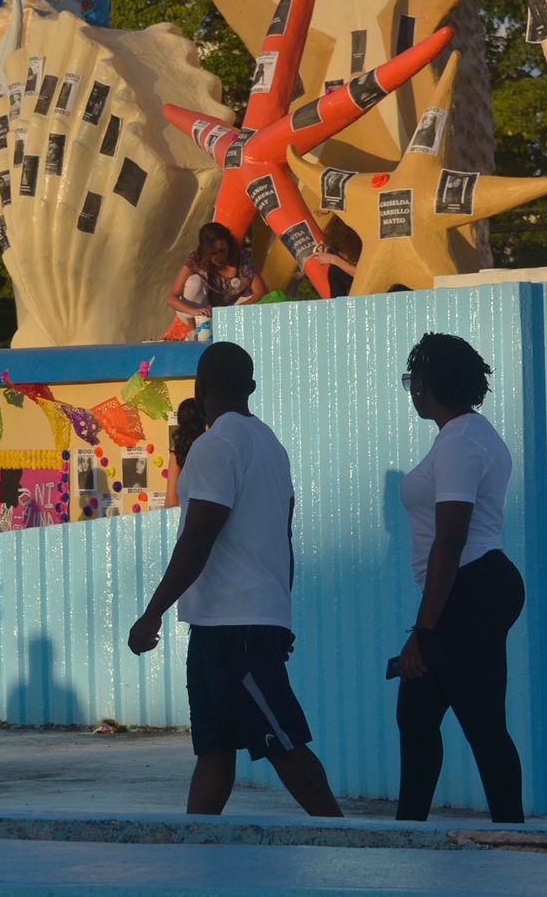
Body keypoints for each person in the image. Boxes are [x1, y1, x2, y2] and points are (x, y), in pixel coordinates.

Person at [127, 343, 342, 817]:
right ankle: (197, 846)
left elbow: (200, 536)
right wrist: (279, 616)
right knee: (214, 749)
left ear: (200, 390)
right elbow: (282, 538)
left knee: (282, 743)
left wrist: (152, 613)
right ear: (251, 388)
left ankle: (348, 841)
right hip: (229, 624)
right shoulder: (271, 446)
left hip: (232, 631)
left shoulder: (214, 446)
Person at [394, 333, 526, 823]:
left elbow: (450, 539)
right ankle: (506, 829)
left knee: (437, 716)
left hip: (468, 585)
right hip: (480, 583)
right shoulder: (473, 433)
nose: (412, 390)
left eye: (413, 380)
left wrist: (424, 631)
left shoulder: (459, 444)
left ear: (427, 384)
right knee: (455, 717)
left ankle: (413, 831)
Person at [163, 222, 267, 340]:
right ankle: (194, 332)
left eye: (223, 250)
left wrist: (234, 310)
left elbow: (261, 292)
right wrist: (195, 311)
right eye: (213, 253)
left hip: (233, 307)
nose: (219, 257)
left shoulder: (242, 259)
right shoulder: (195, 259)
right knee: (193, 282)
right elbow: (171, 298)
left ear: (229, 245)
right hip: (202, 311)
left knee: (260, 301)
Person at [166, 397, 207, 507]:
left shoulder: (178, 450)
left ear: (180, 421)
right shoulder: (211, 446)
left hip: (186, 515)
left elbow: (171, 501)